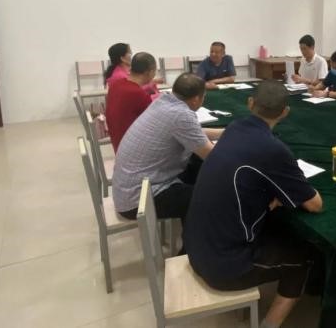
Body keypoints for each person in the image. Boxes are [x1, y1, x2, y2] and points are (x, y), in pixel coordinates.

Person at [186, 80, 323, 328]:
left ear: (250, 103)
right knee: (303, 258)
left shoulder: (233, 129)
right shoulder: (273, 149)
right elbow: (315, 204)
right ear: (285, 112)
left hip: (194, 245)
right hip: (221, 265)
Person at [112, 73, 224, 224]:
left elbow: (194, 133)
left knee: (197, 168)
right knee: (209, 197)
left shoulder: (163, 101)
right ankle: (193, 238)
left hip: (129, 188)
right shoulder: (181, 115)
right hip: (138, 201)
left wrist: (225, 132)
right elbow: (211, 156)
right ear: (196, 99)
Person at [105, 52, 157, 152]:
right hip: (132, 149)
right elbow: (154, 123)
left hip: (118, 144)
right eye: (155, 71)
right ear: (150, 72)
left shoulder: (116, 84)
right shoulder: (137, 93)